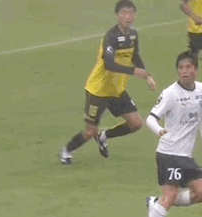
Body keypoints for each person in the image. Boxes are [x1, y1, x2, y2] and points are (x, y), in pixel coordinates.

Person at [59, 0, 156, 166]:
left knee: (136, 124)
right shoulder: (111, 37)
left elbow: (135, 56)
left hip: (117, 91)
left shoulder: (133, 35)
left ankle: (103, 136)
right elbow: (109, 65)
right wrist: (133, 72)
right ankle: (66, 152)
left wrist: (147, 75)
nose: (128, 17)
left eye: (131, 13)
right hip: (98, 91)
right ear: (117, 16)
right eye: (124, 13)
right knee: (90, 131)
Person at [137, 51, 202, 217]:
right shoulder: (170, 93)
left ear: (196, 70)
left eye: (188, 67)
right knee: (170, 194)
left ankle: (157, 203)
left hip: (185, 155)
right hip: (169, 153)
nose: (184, 71)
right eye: (181, 68)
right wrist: (158, 130)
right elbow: (151, 118)